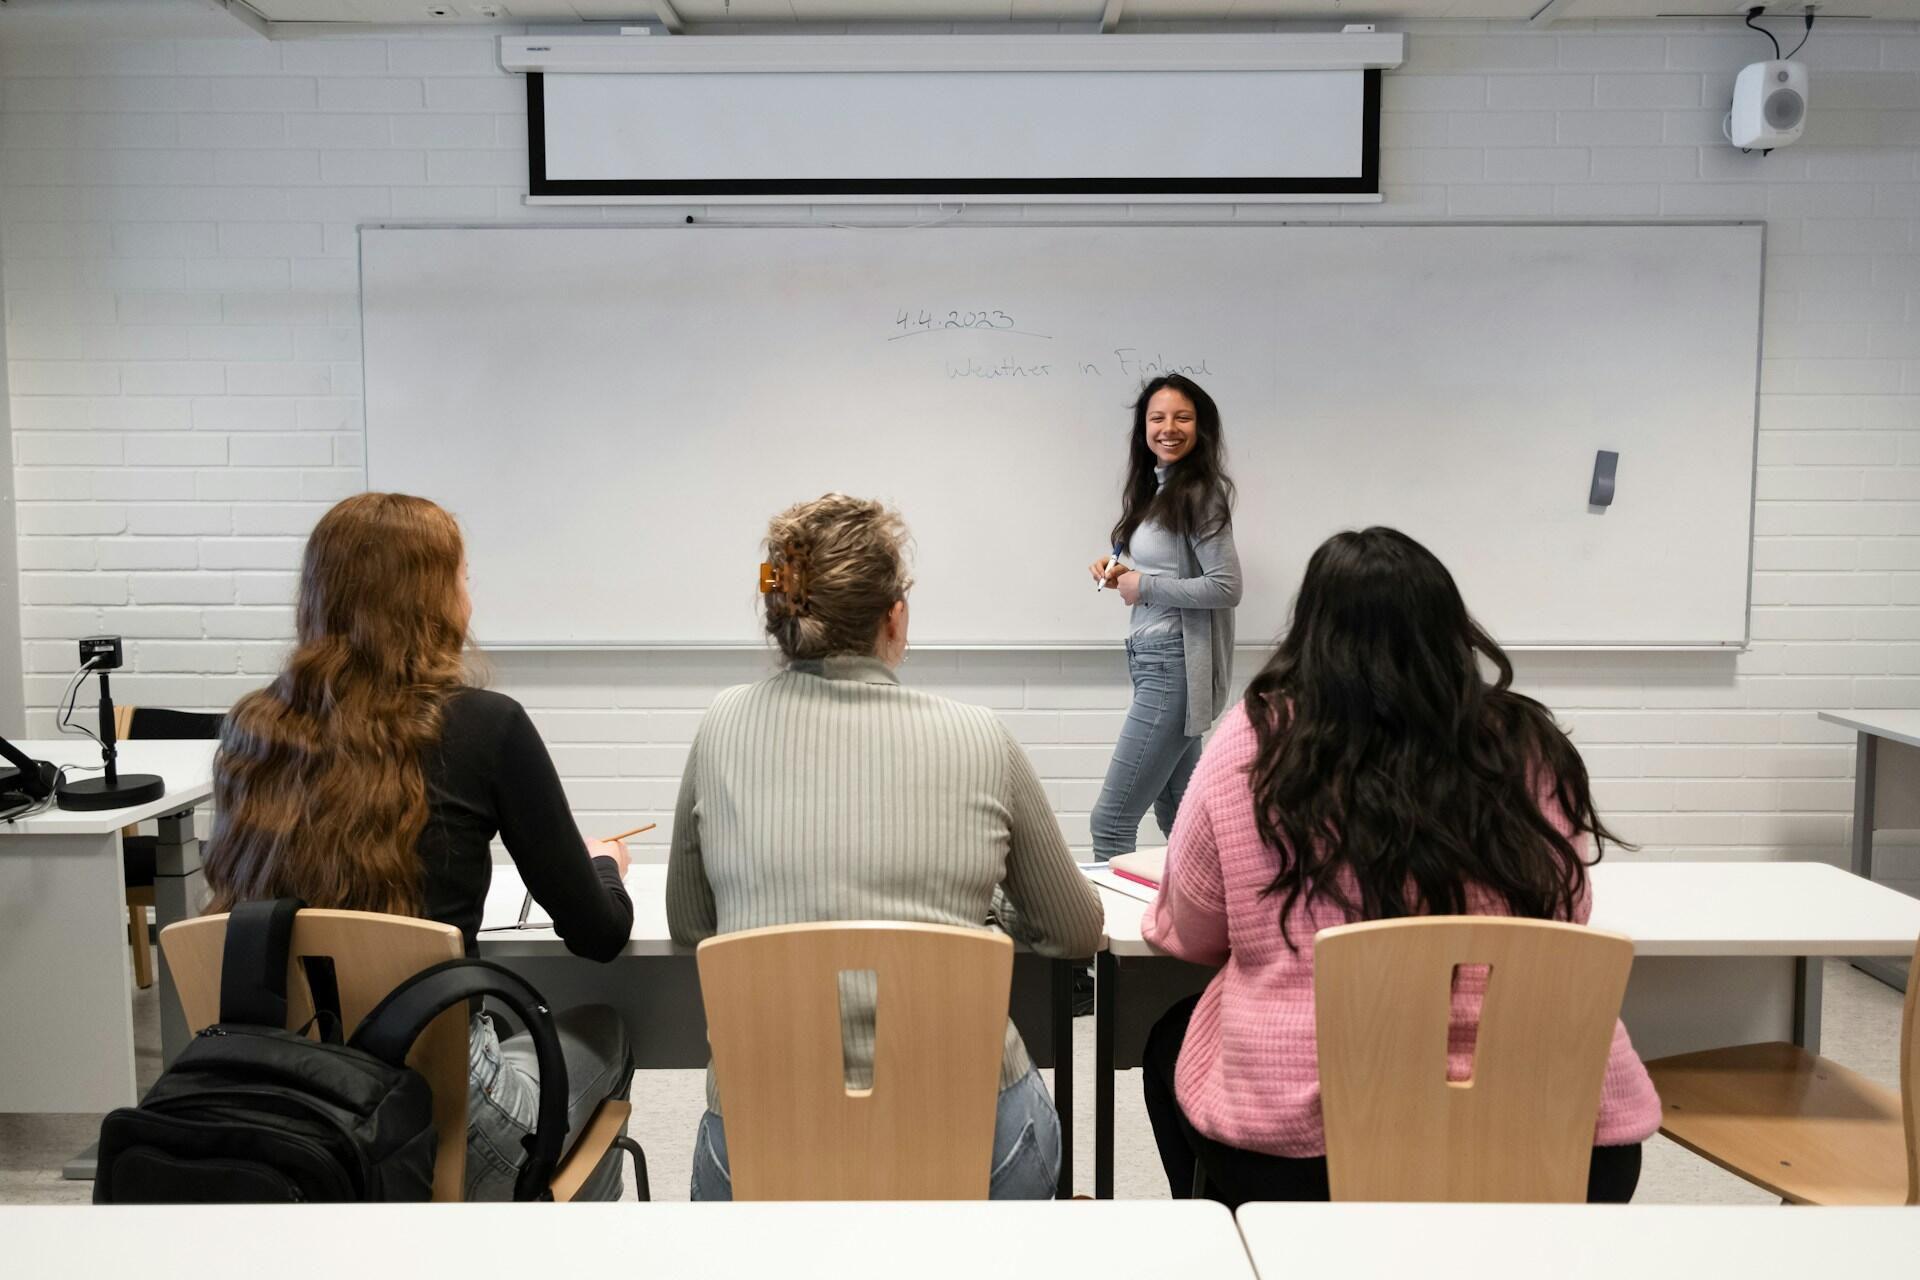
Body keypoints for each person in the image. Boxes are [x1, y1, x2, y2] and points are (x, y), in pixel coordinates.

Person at [1140, 526, 1662, 1205]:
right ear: (1451, 631)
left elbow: (1196, 929)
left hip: (1312, 1156)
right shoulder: (1524, 741)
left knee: (1169, 1046)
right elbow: (1565, 915)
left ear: (1312, 632)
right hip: (1560, 1133)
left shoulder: (1253, 739)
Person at [666, 493, 1104, 1200]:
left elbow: (692, 926)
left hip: (759, 1141)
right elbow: (1076, 928)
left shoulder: (722, 725)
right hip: (973, 1142)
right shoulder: (981, 736)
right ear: (893, 616)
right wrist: (990, 916)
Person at [202, 491, 637, 1202]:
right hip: (439, 1124)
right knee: (608, 1031)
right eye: (464, 578)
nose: (472, 597)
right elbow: (597, 934)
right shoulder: (485, 726)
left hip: (276, 1112)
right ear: (435, 598)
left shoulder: (255, 730)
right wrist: (603, 865)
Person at [1087, 374, 1242, 860]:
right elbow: (1168, 569)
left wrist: (1143, 586)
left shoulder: (1200, 493)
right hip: (1151, 658)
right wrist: (1122, 573)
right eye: (1157, 418)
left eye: (1183, 417)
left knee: (1110, 822)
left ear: (1201, 427)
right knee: (1180, 817)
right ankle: (1207, 928)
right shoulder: (1156, 490)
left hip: (1173, 664)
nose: (1169, 428)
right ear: (1144, 427)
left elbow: (1226, 586)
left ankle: (1103, 939)